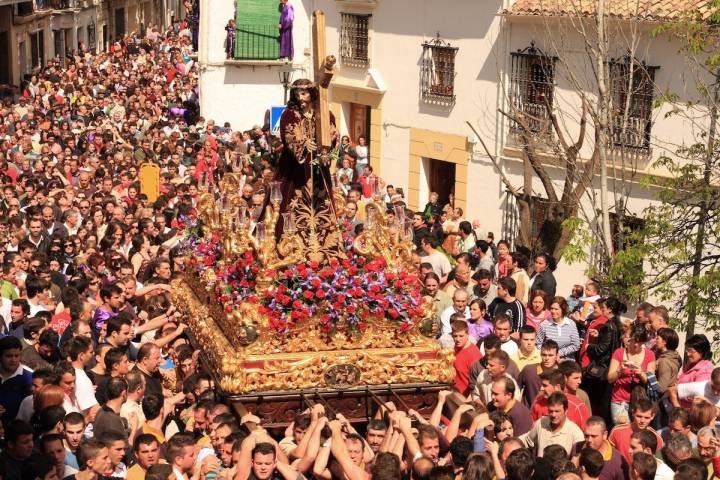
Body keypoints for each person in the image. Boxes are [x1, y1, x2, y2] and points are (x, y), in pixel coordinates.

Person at [583, 298, 624, 425]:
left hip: (603, 369)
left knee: (599, 403)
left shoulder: (609, 325)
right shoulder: (617, 323)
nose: (603, 310)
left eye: (604, 308)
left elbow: (602, 349)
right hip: (611, 365)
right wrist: (599, 335)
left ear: (610, 309)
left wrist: (589, 347)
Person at [607, 324, 656, 426]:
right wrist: (620, 371)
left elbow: (650, 380)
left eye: (640, 342)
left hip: (640, 402)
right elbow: (610, 378)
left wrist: (641, 373)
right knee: (622, 430)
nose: (636, 345)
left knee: (638, 434)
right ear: (630, 338)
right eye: (634, 340)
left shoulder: (650, 355)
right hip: (620, 400)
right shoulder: (619, 353)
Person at [519, 392, 585, 456]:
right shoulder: (541, 423)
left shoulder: (576, 433)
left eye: (557, 411)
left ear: (566, 411)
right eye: (551, 411)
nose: (553, 415)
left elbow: (576, 459)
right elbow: (527, 441)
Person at [608, 399, 662, 464]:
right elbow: (609, 455)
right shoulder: (617, 432)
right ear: (633, 413)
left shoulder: (657, 438)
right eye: (639, 416)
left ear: (652, 416)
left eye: (646, 418)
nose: (642, 421)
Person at [676, 333, 714, 408]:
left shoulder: (705, 370)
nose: (688, 354)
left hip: (691, 413)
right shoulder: (692, 364)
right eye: (687, 350)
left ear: (701, 351)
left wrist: (678, 390)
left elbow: (699, 396)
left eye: (691, 351)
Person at [536, 297, 580, 361]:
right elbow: (538, 344)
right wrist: (549, 354)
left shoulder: (571, 324)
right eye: (551, 308)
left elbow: (576, 345)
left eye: (556, 309)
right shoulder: (544, 324)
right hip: (548, 361)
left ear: (563, 309)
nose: (553, 311)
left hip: (567, 362)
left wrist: (558, 353)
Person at [451, 320, 481, 395]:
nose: (457, 339)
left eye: (461, 336)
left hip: (466, 398)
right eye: (455, 336)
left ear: (467, 335)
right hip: (454, 393)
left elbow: (478, 383)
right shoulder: (456, 347)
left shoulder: (474, 354)